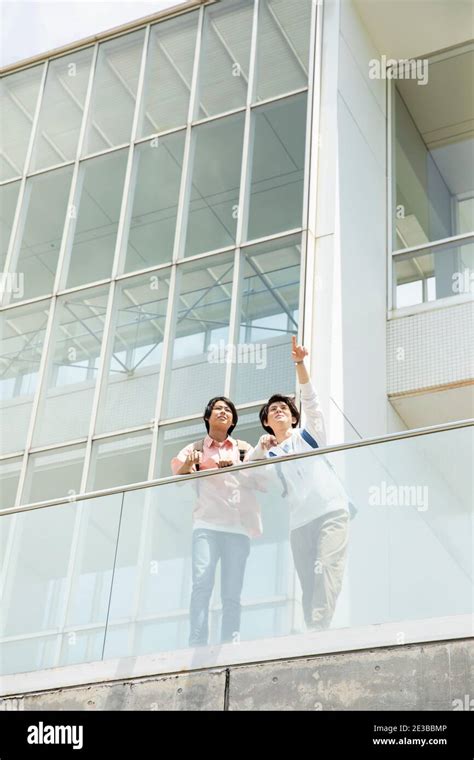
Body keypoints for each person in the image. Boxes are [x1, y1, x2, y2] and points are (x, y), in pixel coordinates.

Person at [246, 337, 350, 631]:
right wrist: (257, 450)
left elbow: (311, 401)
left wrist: (299, 363)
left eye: (284, 408)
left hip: (331, 511)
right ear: (266, 422)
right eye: (272, 410)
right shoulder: (269, 455)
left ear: (293, 416)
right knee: (308, 580)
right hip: (299, 523)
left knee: (327, 570)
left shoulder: (310, 435)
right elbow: (245, 476)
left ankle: (318, 630)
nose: (278, 411)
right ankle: (312, 629)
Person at [171, 396, 261, 647]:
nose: (223, 412)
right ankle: (197, 641)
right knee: (202, 583)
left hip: (237, 528)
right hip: (206, 526)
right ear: (208, 417)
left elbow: (261, 480)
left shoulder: (242, 449)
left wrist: (235, 466)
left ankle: (229, 641)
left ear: (233, 420)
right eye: (218, 409)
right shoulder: (195, 448)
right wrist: (189, 464)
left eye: (228, 410)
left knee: (231, 592)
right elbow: (177, 476)